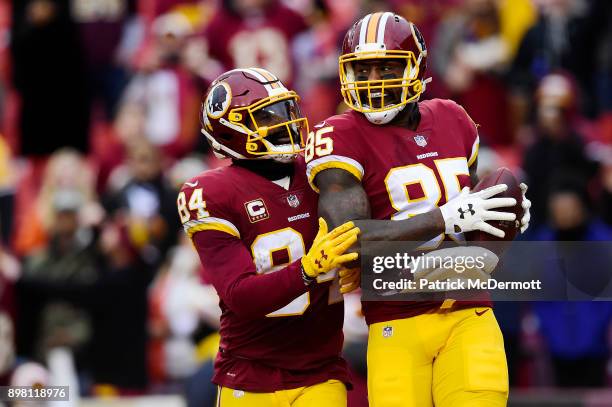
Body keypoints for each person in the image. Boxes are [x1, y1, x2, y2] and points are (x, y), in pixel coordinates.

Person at [305, 13, 531, 406]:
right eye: (363, 69)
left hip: (468, 311)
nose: (374, 81)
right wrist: (447, 217)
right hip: (396, 318)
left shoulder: (453, 118)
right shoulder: (338, 136)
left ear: (416, 67)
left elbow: (473, 226)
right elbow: (351, 242)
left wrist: (501, 218)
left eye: (387, 66)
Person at [178, 68, 359, 406]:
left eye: (284, 111)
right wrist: (308, 268)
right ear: (229, 131)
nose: (283, 122)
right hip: (250, 376)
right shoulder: (212, 192)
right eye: (265, 116)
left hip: (321, 371)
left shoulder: (321, 171)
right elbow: (240, 296)